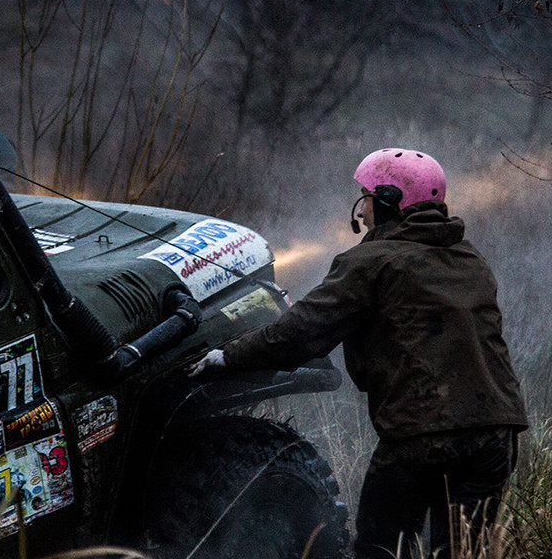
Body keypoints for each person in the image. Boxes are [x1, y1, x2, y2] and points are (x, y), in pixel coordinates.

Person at [189, 148, 529, 559]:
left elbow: (299, 336)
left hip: (423, 435)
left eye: (366, 197)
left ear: (389, 201)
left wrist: (226, 357)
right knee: (463, 551)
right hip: (496, 434)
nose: (363, 210)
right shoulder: (471, 260)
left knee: (380, 549)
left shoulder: (369, 262)